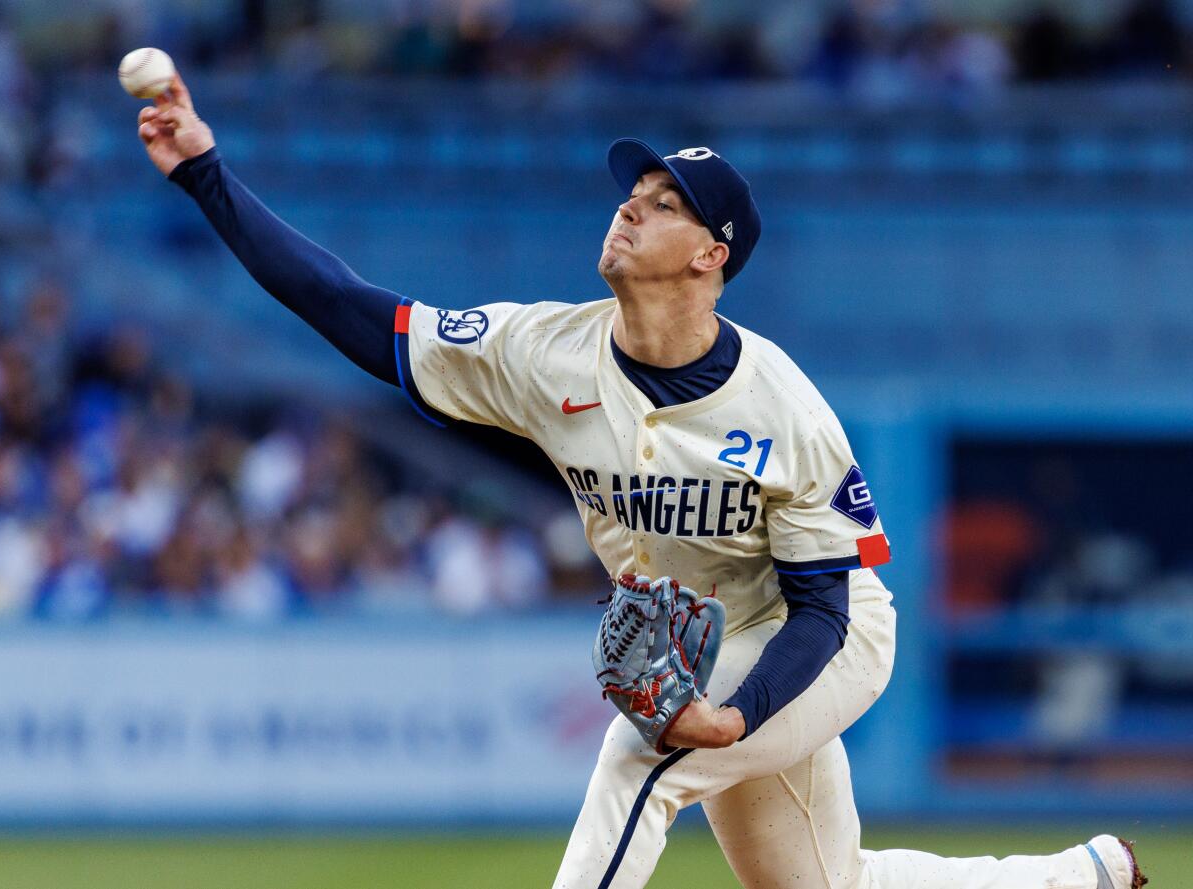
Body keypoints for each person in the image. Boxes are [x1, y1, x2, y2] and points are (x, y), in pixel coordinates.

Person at [135, 72, 1147, 889]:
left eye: (665, 205)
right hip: (708, 631)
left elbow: (823, 611)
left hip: (820, 634)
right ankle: (1082, 876)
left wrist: (735, 718)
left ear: (712, 255)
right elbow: (353, 309)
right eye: (636, 190)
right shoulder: (544, 352)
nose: (632, 203)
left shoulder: (781, 405)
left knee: (643, 758)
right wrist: (207, 175)